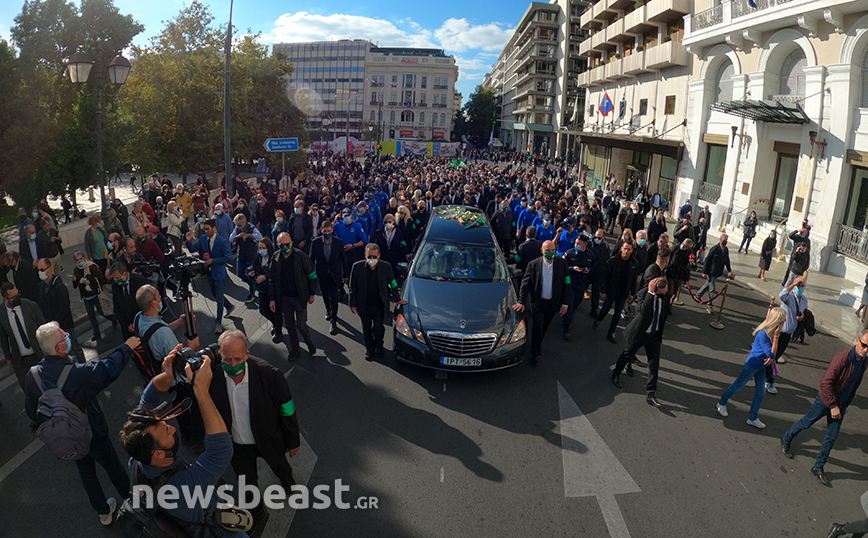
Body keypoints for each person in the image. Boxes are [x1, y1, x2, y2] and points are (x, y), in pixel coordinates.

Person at [118, 347, 245, 538]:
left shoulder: (137, 457)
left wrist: (169, 375)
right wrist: (201, 390)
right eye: (166, 433)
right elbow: (221, 450)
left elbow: (147, 400)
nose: (173, 428)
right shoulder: (181, 488)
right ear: (159, 453)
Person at [25, 322, 138, 526]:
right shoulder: (76, 373)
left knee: (86, 471)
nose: (67, 339)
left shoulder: (32, 375)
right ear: (59, 347)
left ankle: (103, 512)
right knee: (112, 466)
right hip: (92, 431)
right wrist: (126, 347)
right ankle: (134, 504)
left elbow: (31, 412)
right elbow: (107, 369)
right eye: (64, 337)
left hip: (66, 437)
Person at [206, 330, 301, 536]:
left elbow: (288, 410)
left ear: (247, 355)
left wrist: (292, 440)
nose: (232, 365)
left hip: (268, 439)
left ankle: (288, 482)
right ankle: (257, 513)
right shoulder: (212, 378)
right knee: (247, 483)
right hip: (237, 445)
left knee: (279, 464)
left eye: (238, 359)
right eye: (227, 359)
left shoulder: (270, 375)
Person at [780, 330, 868, 487]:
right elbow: (826, 382)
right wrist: (833, 405)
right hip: (825, 401)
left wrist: (842, 404)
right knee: (807, 422)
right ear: (857, 341)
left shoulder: (863, 361)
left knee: (831, 436)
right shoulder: (843, 358)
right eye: (864, 345)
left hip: (840, 404)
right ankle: (786, 438)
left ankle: (818, 466)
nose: (866, 349)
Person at [716, 308, 786, 428]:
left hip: (761, 366)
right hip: (752, 365)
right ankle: (722, 402)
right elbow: (771, 354)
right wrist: (776, 338)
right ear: (777, 321)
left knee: (760, 392)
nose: (784, 322)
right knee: (738, 385)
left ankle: (753, 417)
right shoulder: (764, 334)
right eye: (782, 320)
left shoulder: (770, 332)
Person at [611, 277, 670, 407]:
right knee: (627, 354)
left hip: (654, 335)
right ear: (655, 289)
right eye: (662, 292)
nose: (665, 294)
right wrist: (650, 293)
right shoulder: (643, 294)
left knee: (654, 363)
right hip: (640, 333)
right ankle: (616, 373)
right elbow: (642, 311)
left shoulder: (666, 296)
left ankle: (651, 393)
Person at [513, 240, 570, 366]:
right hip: (538, 303)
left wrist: (565, 303)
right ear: (542, 251)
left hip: (553, 304)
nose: (550, 253)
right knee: (538, 326)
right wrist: (521, 301)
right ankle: (535, 352)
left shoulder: (562, 263)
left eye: (552, 250)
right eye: (547, 251)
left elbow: (567, 283)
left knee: (544, 327)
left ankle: (537, 343)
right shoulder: (533, 264)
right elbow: (525, 284)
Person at [349, 244, 408, 360]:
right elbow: (352, 287)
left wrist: (397, 299)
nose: (372, 260)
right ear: (365, 255)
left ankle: (379, 346)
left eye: (374, 257)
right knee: (366, 329)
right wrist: (352, 303)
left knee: (378, 328)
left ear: (379, 256)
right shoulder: (357, 267)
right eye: (369, 256)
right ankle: (369, 350)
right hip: (364, 304)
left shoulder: (386, 267)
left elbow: (392, 283)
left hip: (379, 305)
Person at [270, 232, 318, 361]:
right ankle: (295, 350)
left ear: (291, 243)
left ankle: (309, 342)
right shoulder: (275, 258)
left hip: (299, 297)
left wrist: (312, 293)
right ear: (278, 245)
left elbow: (312, 275)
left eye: (287, 244)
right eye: (282, 245)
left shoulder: (300, 256)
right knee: (290, 325)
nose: (285, 247)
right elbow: (272, 280)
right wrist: (272, 299)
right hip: (284, 298)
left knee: (301, 325)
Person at [185, 221, 236, 334]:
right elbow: (193, 249)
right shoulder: (203, 239)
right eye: (205, 229)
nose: (206, 231)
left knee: (218, 299)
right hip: (208, 273)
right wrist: (188, 241)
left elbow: (228, 257)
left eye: (208, 229)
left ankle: (218, 323)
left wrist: (214, 260)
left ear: (214, 228)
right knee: (215, 294)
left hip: (219, 273)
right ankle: (229, 306)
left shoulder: (222, 242)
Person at [36, 257, 86, 363]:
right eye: (38, 270)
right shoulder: (41, 286)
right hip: (52, 326)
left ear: (49, 269)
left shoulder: (59, 287)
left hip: (64, 324)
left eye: (42, 270)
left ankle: (84, 366)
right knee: (59, 352)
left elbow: (64, 308)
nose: (40, 272)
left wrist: (54, 323)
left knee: (75, 347)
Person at [767, 276, 808, 393]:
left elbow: (805, 312)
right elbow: (781, 295)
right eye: (799, 285)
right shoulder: (789, 297)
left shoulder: (804, 300)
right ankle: (769, 380)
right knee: (772, 356)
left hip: (789, 333)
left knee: (776, 355)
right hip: (780, 331)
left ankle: (763, 373)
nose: (800, 288)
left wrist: (802, 317)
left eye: (802, 286)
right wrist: (793, 284)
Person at [0, 283, 45, 388]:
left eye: (18, 294)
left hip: (38, 355)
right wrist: (8, 357)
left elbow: (44, 328)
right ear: (6, 299)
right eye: (14, 297)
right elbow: (3, 337)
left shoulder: (30, 306)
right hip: (20, 361)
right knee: (28, 389)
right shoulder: (1, 314)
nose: (18, 298)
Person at [592, 241, 638, 344]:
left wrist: (632, 293)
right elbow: (604, 276)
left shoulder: (633, 263)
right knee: (605, 309)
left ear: (632, 251)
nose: (626, 251)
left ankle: (611, 332)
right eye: (625, 248)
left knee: (617, 314)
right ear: (621, 248)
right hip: (611, 291)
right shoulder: (613, 261)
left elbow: (634, 280)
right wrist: (603, 291)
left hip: (623, 293)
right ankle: (599, 320)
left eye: (628, 249)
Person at [72, 251, 114, 342]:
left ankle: (113, 318)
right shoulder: (76, 270)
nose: (79, 261)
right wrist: (74, 280)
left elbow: (101, 278)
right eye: (77, 260)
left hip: (95, 294)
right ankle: (96, 332)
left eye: (81, 259)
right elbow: (76, 285)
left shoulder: (91, 266)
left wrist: (90, 280)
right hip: (86, 296)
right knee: (91, 315)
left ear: (84, 258)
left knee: (102, 311)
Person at [561, 232, 595, 340]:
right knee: (570, 305)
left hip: (582, 283)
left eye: (579, 243)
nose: (576, 244)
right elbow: (562, 266)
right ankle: (567, 325)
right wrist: (572, 268)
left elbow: (593, 267)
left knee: (577, 302)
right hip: (570, 283)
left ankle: (569, 316)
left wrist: (588, 270)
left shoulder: (590, 255)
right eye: (576, 243)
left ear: (585, 244)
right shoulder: (569, 254)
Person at [250, 238, 283, 342]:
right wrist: (252, 273)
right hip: (262, 289)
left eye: (264, 248)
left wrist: (266, 277)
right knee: (263, 310)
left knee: (275, 311)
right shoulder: (258, 258)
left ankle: (278, 331)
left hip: (272, 289)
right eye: (260, 248)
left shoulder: (275, 259)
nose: (262, 250)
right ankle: (274, 324)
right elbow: (254, 268)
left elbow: (277, 275)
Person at [109, 261, 148, 340]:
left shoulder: (139, 281)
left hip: (142, 324)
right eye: (114, 278)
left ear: (125, 274)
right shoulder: (115, 286)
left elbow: (147, 304)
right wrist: (126, 325)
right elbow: (117, 308)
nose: (116, 280)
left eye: (118, 278)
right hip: (127, 328)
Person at [230, 214, 264, 303]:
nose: (238, 226)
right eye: (237, 224)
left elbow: (259, 237)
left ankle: (251, 293)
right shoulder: (237, 229)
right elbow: (231, 238)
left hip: (251, 255)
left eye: (240, 224)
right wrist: (238, 236)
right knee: (240, 274)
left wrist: (249, 235)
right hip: (241, 255)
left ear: (244, 222)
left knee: (250, 274)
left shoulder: (251, 227)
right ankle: (253, 285)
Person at [697, 234, 732, 315]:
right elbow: (707, 260)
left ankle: (698, 295)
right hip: (711, 271)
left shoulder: (726, 250)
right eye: (724, 240)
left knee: (708, 284)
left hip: (718, 272)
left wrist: (729, 270)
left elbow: (727, 260)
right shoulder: (714, 249)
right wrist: (704, 272)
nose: (725, 241)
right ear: (720, 239)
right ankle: (709, 305)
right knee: (712, 289)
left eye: (726, 240)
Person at [588, 228, 609, 317]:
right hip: (589, 272)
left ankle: (593, 310)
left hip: (599, 273)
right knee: (580, 290)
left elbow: (607, 259)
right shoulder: (590, 244)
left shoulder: (606, 246)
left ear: (603, 238)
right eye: (596, 237)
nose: (597, 239)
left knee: (596, 293)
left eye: (599, 238)